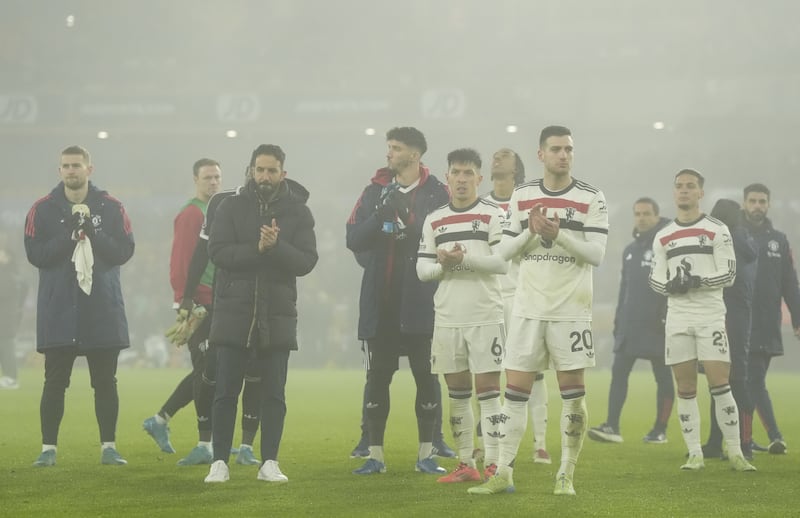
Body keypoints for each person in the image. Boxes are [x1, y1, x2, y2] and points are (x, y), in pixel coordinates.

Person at [469, 125, 609, 497]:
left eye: (568, 149)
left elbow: (597, 255)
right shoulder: (523, 195)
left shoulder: (591, 197)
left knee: (573, 396)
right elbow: (503, 253)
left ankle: (566, 474)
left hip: (570, 311)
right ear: (540, 154)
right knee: (514, 392)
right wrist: (533, 231)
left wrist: (557, 233)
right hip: (528, 308)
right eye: (556, 149)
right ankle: (503, 473)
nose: (563, 155)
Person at [203, 144, 317, 483]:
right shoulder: (229, 206)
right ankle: (219, 462)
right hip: (233, 312)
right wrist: (258, 248)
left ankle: (269, 462)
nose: (265, 177)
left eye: (271, 170)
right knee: (225, 392)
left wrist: (277, 247)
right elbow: (217, 252)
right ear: (251, 170)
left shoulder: (299, 212)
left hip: (278, 313)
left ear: (283, 172)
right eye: (260, 170)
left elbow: (307, 261)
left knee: (274, 394)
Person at [141, 160, 262, 467]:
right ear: (195, 179)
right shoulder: (191, 214)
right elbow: (182, 261)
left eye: (217, 177)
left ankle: (163, 420)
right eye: (207, 177)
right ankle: (203, 443)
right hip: (198, 302)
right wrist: (186, 302)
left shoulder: (219, 210)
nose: (213, 183)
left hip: (218, 300)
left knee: (212, 370)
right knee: (208, 370)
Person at [346, 126, 450, 475]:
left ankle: (426, 454)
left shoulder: (437, 192)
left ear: (415, 155)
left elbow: (443, 238)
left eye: (395, 147)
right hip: (382, 304)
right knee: (378, 379)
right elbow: (353, 238)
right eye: (388, 146)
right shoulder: (374, 190)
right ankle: (375, 456)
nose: (388, 153)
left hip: (422, 303)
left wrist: (407, 216)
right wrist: (380, 214)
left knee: (426, 377)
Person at [24, 145, 134, 466]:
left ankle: (109, 448)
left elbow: (125, 251)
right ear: (59, 171)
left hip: (101, 308)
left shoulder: (111, 207)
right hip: (59, 309)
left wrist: (93, 236)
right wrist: (69, 238)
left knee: (105, 382)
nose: (71, 171)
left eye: (77, 165)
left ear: (90, 169)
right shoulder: (42, 209)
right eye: (66, 166)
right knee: (55, 382)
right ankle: (48, 450)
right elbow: (35, 255)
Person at [649, 169, 755, 472]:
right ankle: (695, 453)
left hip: (710, 316)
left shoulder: (717, 229)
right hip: (678, 318)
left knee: (721, 385)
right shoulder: (663, 235)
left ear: (700, 193)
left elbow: (729, 274)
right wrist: (670, 285)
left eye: (690, 186)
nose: (684, 191)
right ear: (674, 193)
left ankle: (735, 452)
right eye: (679, 186)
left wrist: (695, 281)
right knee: (685, 387)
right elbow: (655, 279)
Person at [417, 148, 507, 483]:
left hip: (485, 314)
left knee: (488, 390)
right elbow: (421, 268)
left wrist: (462, 261)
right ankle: (466, 463)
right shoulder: (435, 218)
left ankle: (495, 463)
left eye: (469, 173)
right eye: (456, 172)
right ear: (448, 177)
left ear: (479, 178)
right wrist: (442, 264)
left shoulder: (493, 214)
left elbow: (502, 262)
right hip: (447, 317)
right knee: (456, 392)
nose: (462, 178)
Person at [483, 147, 551, 464]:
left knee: (532, 372)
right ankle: (491, 444)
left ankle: (540, 443)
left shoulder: (527, 204)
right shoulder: (480, 206)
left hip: (524, 297)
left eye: (505, 155)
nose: (497, 157)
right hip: (489, 299)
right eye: (495, 154)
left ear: (516, 169)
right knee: (489, 374)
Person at [588, 198, 674, 444]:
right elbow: (625, 288)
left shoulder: (667, 245)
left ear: (657, 216)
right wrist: (618, 320)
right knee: (618, 373)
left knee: (663, 378)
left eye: (647, 213)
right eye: (637, 213)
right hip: (630, 324)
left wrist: (666, 315)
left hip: (658, 325)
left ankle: (660, 429)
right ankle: (612, 426)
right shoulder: (630, 250)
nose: (642, 218)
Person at [697, 199, 758, 460]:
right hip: (732, 318)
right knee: (721, 382)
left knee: (732, 383)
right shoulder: (743, 241)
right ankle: (721, 442)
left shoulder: (727, 241)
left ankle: (742, 444)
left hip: (726, 317)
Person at [742, 183, 800, 455]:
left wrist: (797, 317)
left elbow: (790, 282)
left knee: (753, 380)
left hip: (767, 323)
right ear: (744, 203)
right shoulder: (735, 236)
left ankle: (746, 438)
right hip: (740, 323)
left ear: (768, 205)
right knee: (752, 380)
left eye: (761, 201)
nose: (757, 206)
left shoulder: (779, 240)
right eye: (752, 201)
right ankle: (771, 436)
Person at [0, 234, 26, 389]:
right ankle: (9, 376)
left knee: (7, 348)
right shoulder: (10, 275)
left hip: (5, 319)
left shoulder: (7, 276)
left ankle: (11, 377)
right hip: (7, 318)